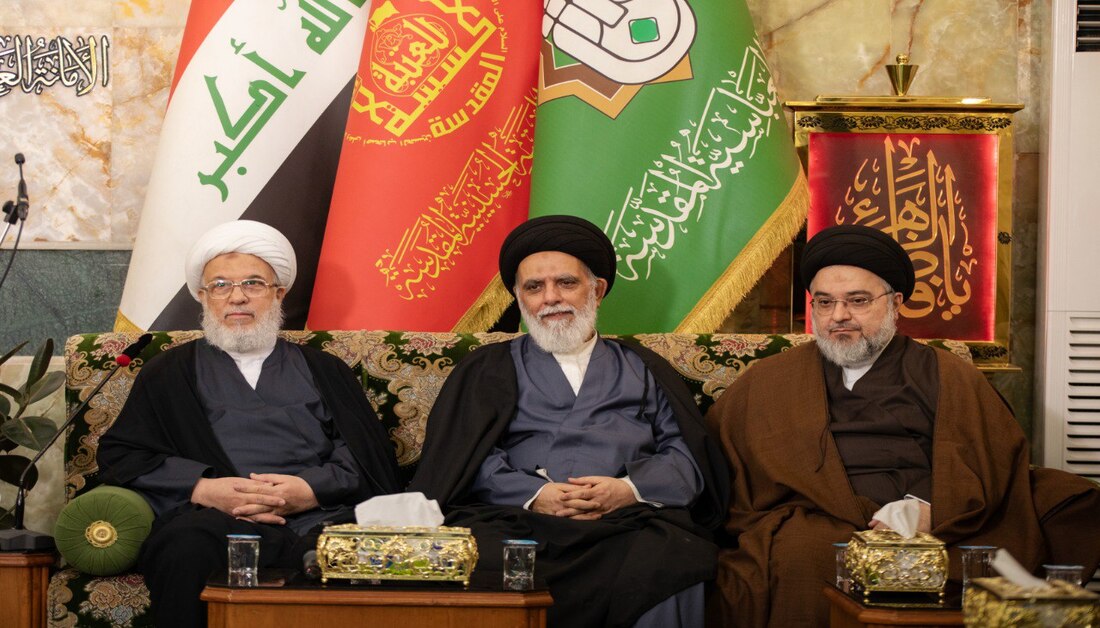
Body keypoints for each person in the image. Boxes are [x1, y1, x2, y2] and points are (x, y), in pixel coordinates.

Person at [706, 224, 1100, 627]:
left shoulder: (943, 373)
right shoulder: (770, 379)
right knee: (801, 550)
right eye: (824, 303)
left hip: (932, 523)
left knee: (1062, 502)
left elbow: (988, 456)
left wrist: (927, 506)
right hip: (816, 517)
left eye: (857, 301)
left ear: (895, 303)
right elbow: (717, 458)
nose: (838, 316)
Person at [409, 215, 729, 628]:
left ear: (597, 289)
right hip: (518, 519)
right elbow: (464, 458)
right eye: (534, 287)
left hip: (626, 521)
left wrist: (628, 489)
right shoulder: (487, 368)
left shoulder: (642, 367)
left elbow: (685, 453)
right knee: (473, 554)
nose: (550, 298)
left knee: (676, 558)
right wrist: (534, 494)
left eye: (566, 283)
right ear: (519, 298)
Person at [98, 220, 401, 628]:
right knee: (184, 546)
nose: (236, 297)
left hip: (322, 517)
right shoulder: (168, 372)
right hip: (216, 522)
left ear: (279, 293)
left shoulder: (324, 369)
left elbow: (367, 455)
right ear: (203, 297)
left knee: (380, 549)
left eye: (253, 283)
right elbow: (123, 454)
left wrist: (311, 489)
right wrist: (203, 488)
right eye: (220, 285)